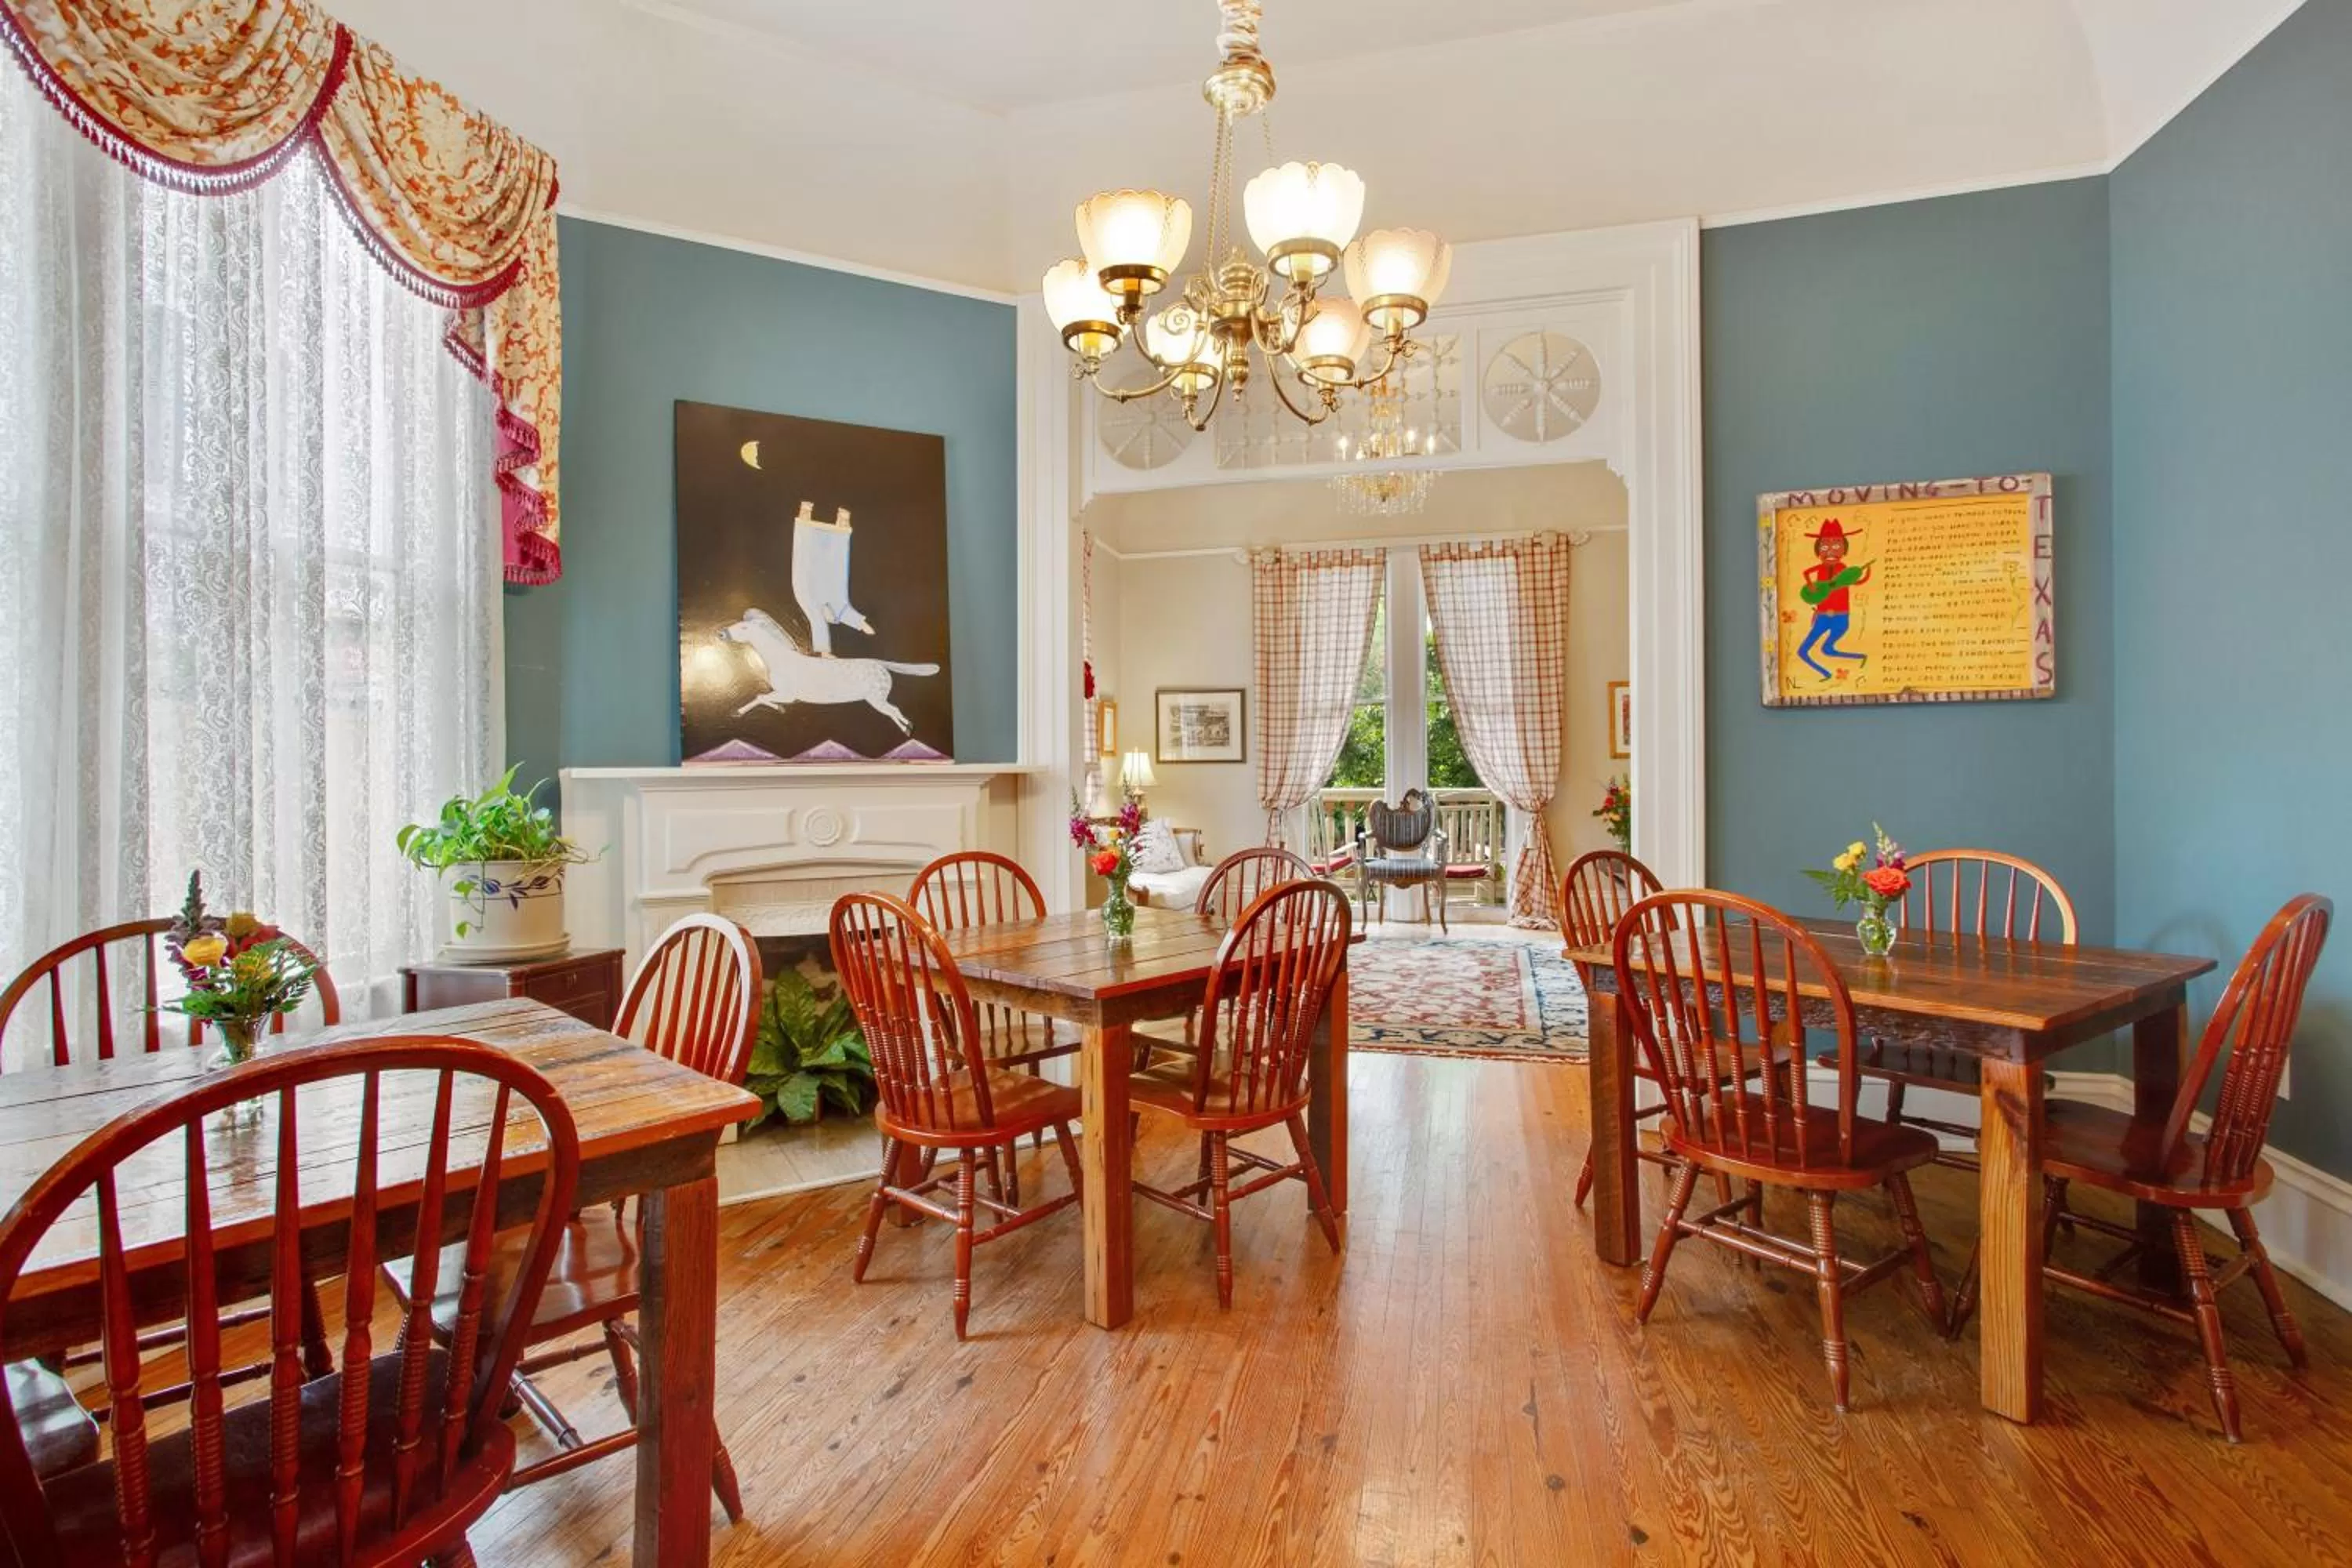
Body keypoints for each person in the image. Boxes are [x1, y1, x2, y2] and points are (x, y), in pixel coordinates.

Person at [1796, 518, 1871, 681]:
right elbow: (1806, 573)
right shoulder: (1822, 568)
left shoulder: (1843, 569)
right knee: (1804, 651)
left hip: (1841, 617)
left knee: (1827, 649)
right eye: (1825, 546)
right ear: (1818, 550)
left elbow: (1854, 581)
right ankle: (1827, 673)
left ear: (1844, 549)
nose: (1830, 551)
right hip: (1823, 616)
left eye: (1837, 546)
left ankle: (1860, 657)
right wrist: (1811, 586)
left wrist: (1866, 575)